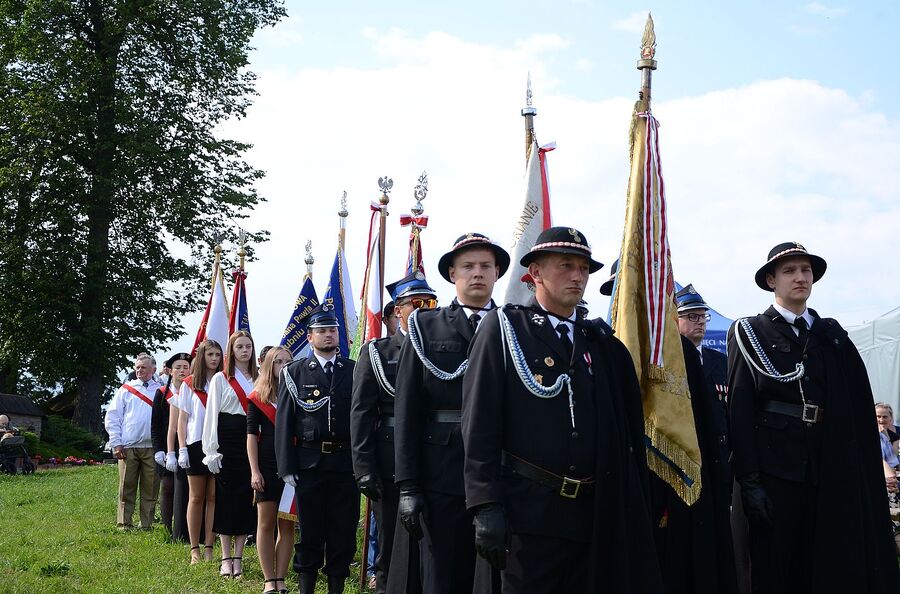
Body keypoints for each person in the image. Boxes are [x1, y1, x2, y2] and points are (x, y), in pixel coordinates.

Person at [462, 227, 662, 592]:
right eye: (566, 265)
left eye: (584, 268)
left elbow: (626, 432)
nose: (578, 276)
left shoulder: (602, 344)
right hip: (527, 513)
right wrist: (485, 504)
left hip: (592, 514)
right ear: (535, 272)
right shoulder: (505, 329)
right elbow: (479, 425)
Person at [728, 242, 899, 593]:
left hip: (827, 467)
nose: (800, 277)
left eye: (805, 270)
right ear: (771, 280)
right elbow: (740, 411)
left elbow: (853, 403)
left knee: (825, 563)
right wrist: (749, 480)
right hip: (775, 468)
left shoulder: (830, 335)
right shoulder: (750, 332)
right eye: (789, 271)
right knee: (774, 566)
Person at [393, 233, 509, 594]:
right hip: (441, 472)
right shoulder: (426, 327)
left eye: (486, 266)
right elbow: (407, 410)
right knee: (441, 573)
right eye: (468, 267)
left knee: (493, 575)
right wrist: (408, 485)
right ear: (451, 275)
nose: (478, 274)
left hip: (498, 471)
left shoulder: (513, 327)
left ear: (497, 273)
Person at [351, 271, 436, 594]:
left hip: (436, 456)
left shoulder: (446, 348)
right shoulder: (377, 352)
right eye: (416, 303)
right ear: (397, 310)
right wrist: (364, 468)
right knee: (390, 540)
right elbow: (360, 413)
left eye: (430, 302)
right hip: (391, 461)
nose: (425, 309)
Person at [276, 303, 359, 594]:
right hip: (310, 464)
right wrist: (286, 466)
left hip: (346, 464)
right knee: (310, 532)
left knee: (343, 532)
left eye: (332, 330)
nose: (328, 335)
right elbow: (284, 423)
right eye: (321, 331)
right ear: (309, 337)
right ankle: (306, 588)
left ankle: (336, 587)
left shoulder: (354, 370)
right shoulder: (294, 372)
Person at [203, 330, 259, 579]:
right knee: (226, 498)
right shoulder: (221, 379)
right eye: (240, 347)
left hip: (251, 439)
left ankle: (239, 556)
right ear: (232, 351)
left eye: (248, 346)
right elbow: (211, 414)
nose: (244, 351)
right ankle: (225, 557)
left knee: (247, 499)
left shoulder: (259, 378)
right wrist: (211, 450)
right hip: (226, 438)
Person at [248, 346, 296, 594]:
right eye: (278, 361)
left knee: (287, 525)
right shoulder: (257, 397)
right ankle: (269, 579)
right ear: (268, 365)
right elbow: (251, 437)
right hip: (266, 466)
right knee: (265, 523)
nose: (283, 366)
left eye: (288, 361)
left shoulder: (299, 395)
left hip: (292, 469)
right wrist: (255, 471)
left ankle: (281, 577)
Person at [177, 339, 223, 564]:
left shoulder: (224, 381)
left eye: (218, 354)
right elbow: (182, 419)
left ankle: (209, 546)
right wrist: (181, 448)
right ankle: (194, 548)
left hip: (216, 444)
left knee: (214, 497)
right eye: (210, 354)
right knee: (196, 497)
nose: (214, 358)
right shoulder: (188, 383)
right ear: (202, 356)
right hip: (195, 444)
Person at [104, 354, 162, 530]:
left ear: (153, 369)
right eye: (137, 367)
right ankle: (124, 522)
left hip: (152, 446)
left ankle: (146, 524)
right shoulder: (126, 389)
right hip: (128, 446)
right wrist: (116, 443)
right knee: (126, 486)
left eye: (143, 367)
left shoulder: (161, 390)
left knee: (151, 488)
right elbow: (113, 417)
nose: (139, 370)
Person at [152, 352, 192, 539]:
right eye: (178, 367)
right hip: (167, 447)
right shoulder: (162, 393)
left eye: (185, 367)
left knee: (186, 488)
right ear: (169, 370)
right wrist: (159, 450)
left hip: (187, 444)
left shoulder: (193, 389)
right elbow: (156, 425)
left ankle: (184, 526)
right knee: (167, 486)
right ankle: (167, 526)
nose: (182, 371)